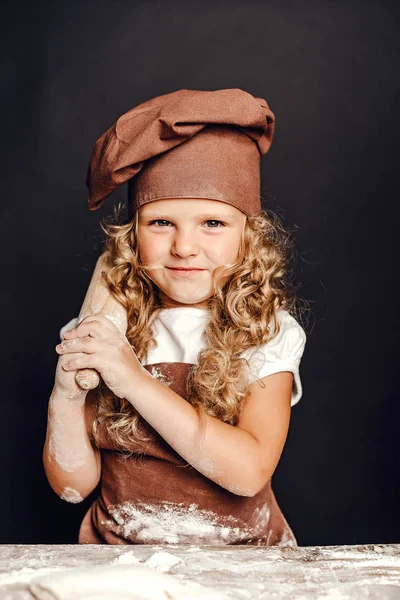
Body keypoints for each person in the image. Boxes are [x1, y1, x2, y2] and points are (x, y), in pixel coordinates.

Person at [43, 88, 308, 546]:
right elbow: (73, 486)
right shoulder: (102, 331)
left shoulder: (267, 332)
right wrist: (65, 396)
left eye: (213, 223)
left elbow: (248, 473)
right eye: (161, 223)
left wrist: (131, 379)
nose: (184, 247)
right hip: (117, 562)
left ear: (250, 237)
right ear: (133, 236)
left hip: (243, 566)